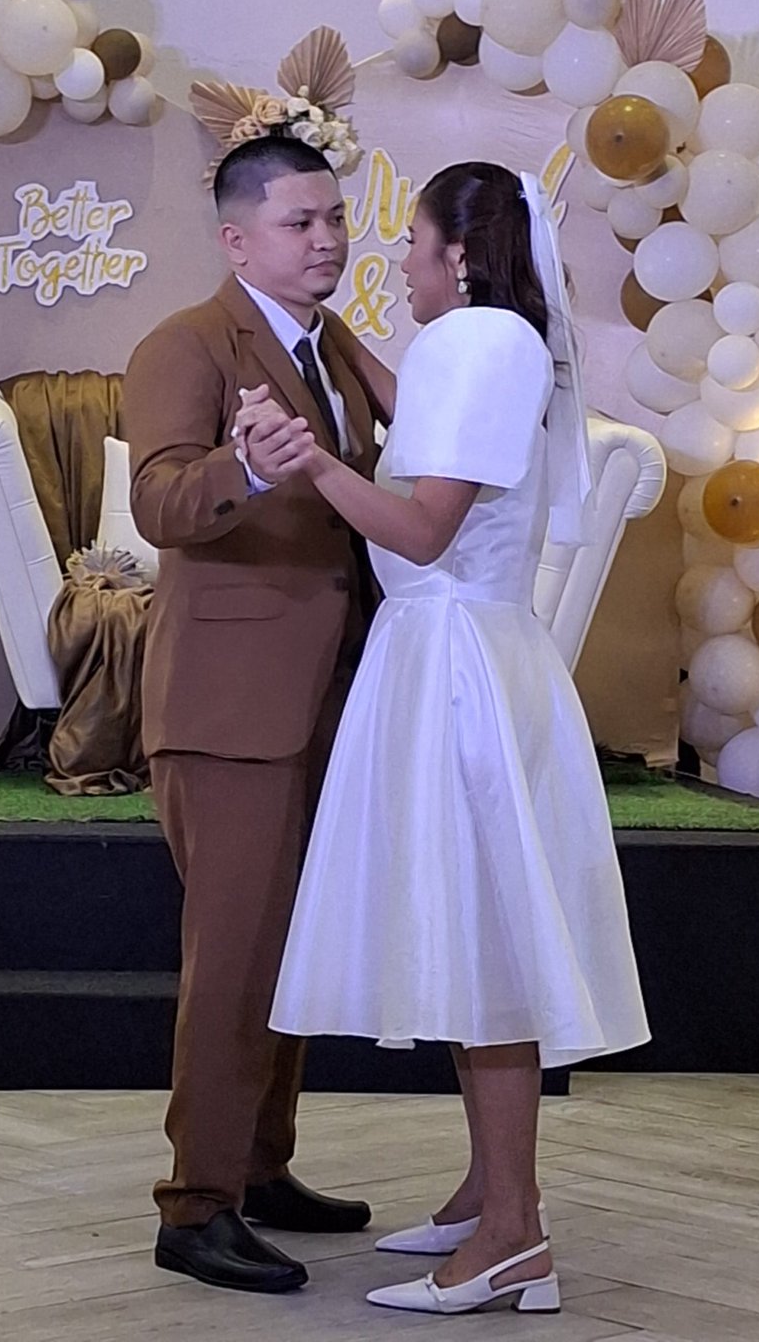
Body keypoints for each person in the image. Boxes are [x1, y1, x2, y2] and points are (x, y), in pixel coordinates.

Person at [248, 160, 649, 1317]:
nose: (398, 264)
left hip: (454, 662)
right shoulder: (483, 342)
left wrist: (310, 460)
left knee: (483, 952)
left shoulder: (476, 343)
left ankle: (515, 1233)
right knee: (477, 936)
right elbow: (417, 422)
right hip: (467, 651)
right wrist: (326, 340)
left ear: (459, 258)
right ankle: (490, 1192)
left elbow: (423, 530)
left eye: (412, 245)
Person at [122, 134, 395, 1295]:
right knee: (234, 958)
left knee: (290, 945)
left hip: (330, 690)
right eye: (300, 223)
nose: (327, 239)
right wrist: (245, 468)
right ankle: (195, 1205)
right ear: (237, 239)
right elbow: (156, 501)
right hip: (229, 705)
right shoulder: (184, 344)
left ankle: (258, 1165)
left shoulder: (334, 346)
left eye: (335, 218)